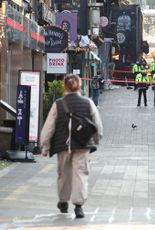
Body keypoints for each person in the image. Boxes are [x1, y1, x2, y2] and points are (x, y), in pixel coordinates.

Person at [40, 74, 103, 218]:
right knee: (81, 173)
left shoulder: (58, 104)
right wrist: (97, 138)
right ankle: (78, 205)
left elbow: (49, 126)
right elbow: (97, 123)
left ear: (65, 86)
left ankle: (63, 202)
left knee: (64, 174)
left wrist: (45, 146)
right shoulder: (88, 103)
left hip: (62, 144)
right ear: (79, 86)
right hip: (83, 144)